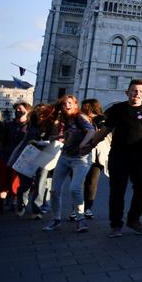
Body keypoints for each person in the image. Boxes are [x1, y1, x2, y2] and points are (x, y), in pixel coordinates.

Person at [92, 79, 142, 237]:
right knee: (117, 191)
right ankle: (116, 224)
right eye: (134, 90)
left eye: (140, 91)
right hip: (118, 156)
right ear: (127, 92)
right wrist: (91, 144)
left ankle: (134, 219)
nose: (137, 93)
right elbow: (105, 129)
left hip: (141, 157)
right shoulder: (117, 109)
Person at [43, 95, 96, 233]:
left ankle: (80, 219)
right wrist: (58, 137)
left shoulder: (80, 117)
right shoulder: (66, 120)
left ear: (75, 105)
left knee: (75, 188)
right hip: (65, 156)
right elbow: (71, 134)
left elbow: (91, 131)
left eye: (70, 103)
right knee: (54, 190)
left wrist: (84, 143)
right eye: (64, 104)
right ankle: (56, 219)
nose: (67, 105)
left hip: (80, 159)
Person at [0, 103, 28, 213]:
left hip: (21, 158)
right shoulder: (9, 125)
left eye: (21, 109)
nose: (18, 110)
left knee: (16, 183)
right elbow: (1, 141)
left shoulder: (30, 126)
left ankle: (14, 202)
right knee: (3, 181)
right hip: (6, 156)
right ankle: (0, 204)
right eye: (16, 109)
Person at [80, 99, 108, 220]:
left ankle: (87, 208)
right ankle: (76, 209)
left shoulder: (100, 119)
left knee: (92, 182)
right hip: (80, 154)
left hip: (97, 155)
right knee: (78, 183)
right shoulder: (79, 119)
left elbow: (104, 131)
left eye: (86, 106)